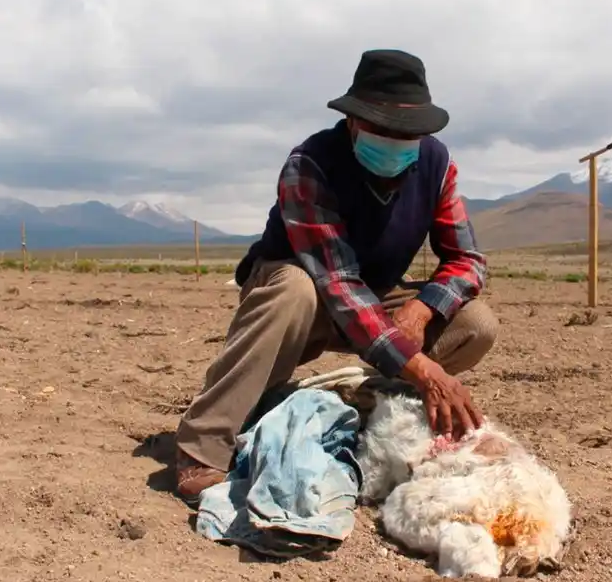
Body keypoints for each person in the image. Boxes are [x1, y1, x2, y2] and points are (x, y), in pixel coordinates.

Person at [173, 49, 498, 504]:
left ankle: (365, 399)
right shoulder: (310, 165)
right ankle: (205, 442)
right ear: (353, 121)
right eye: (383, 129)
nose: (396, 141)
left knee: (476, 323)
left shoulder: (437, 166)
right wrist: (423, 369)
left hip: (374, 297)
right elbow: (338, 283)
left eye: (407, 132)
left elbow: (467, 260)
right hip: (299, 297)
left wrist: (422, 308)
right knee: (295, 289)